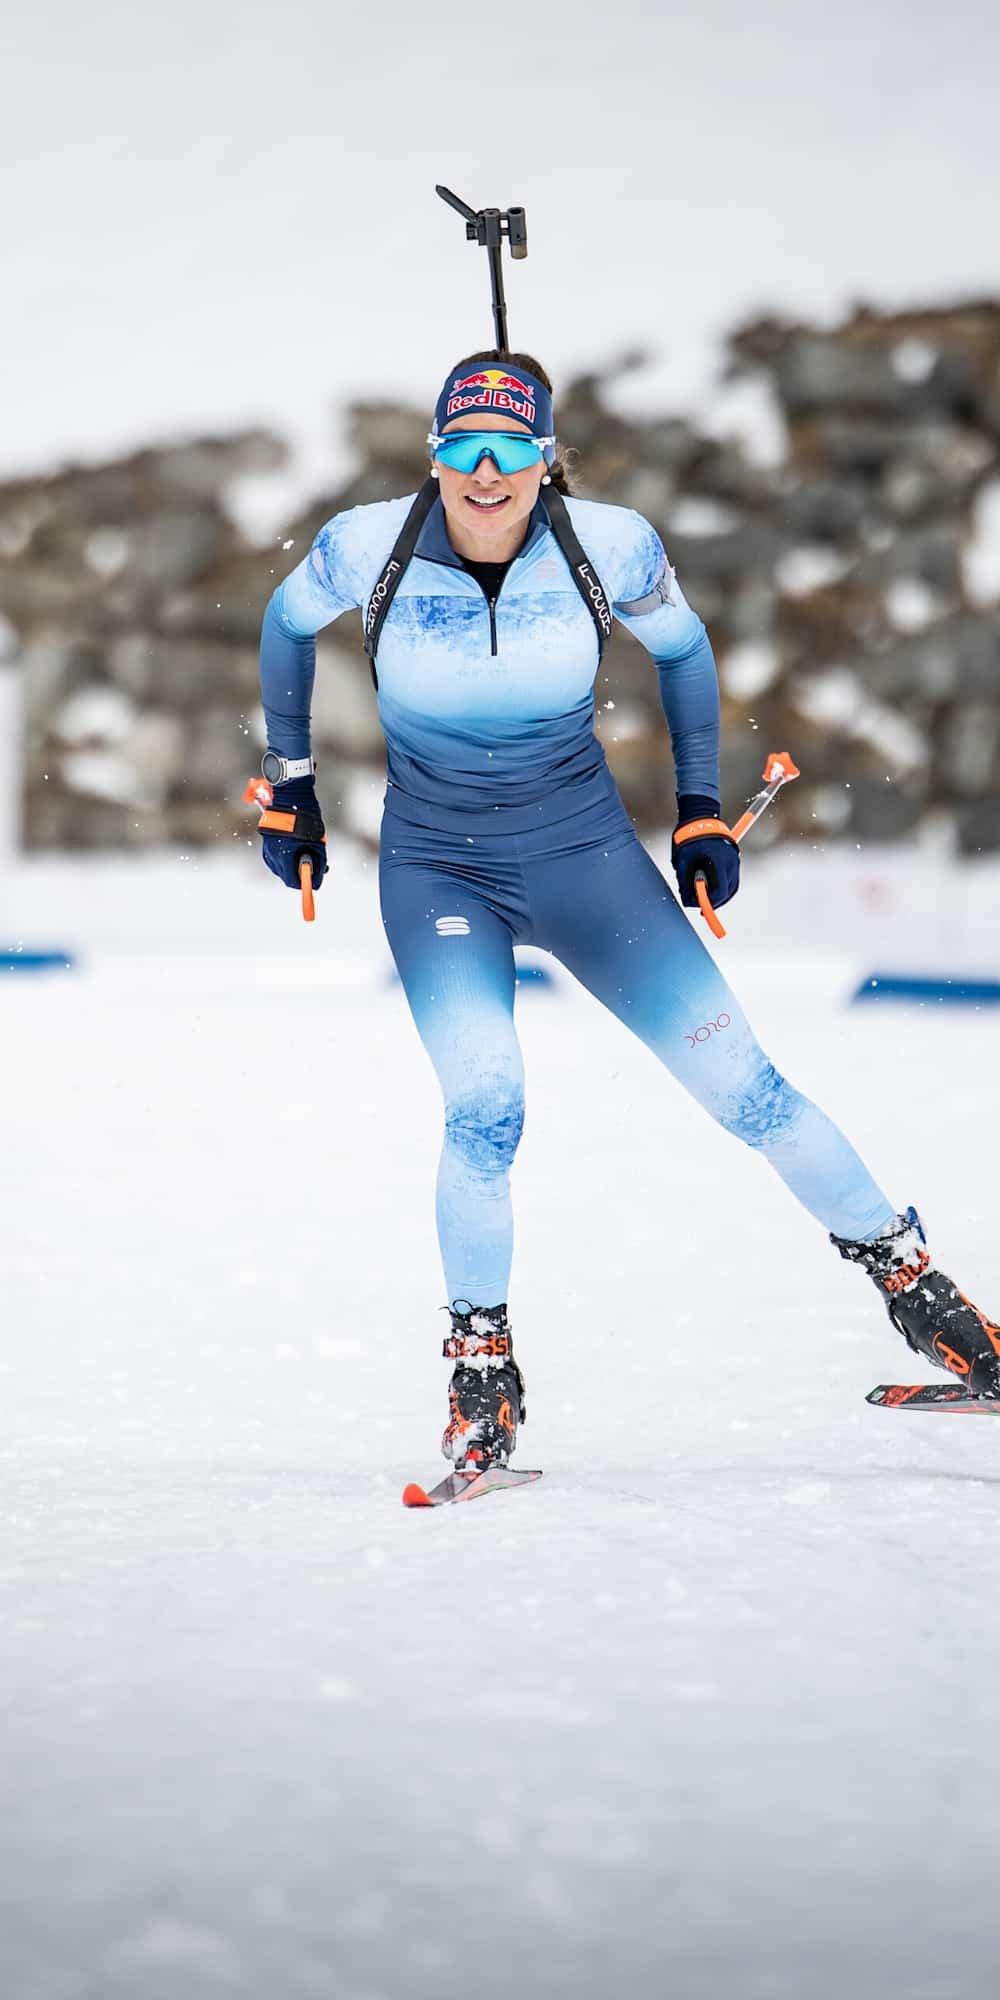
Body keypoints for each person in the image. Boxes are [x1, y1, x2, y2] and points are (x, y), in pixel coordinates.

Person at [254, 351, 1000, 1470]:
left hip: (586, 860)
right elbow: (281, 621)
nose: (487, 473)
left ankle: (931, 1301)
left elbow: (685, 650)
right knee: (485, 1108)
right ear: (434, 457)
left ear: (547, 460)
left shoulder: (609, 544)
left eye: (512, 450)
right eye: (464, 449)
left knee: (747, 1088)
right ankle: (482, 1375)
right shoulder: (367, 544)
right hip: (439, 869)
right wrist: (293, 780)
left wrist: (700, 812)